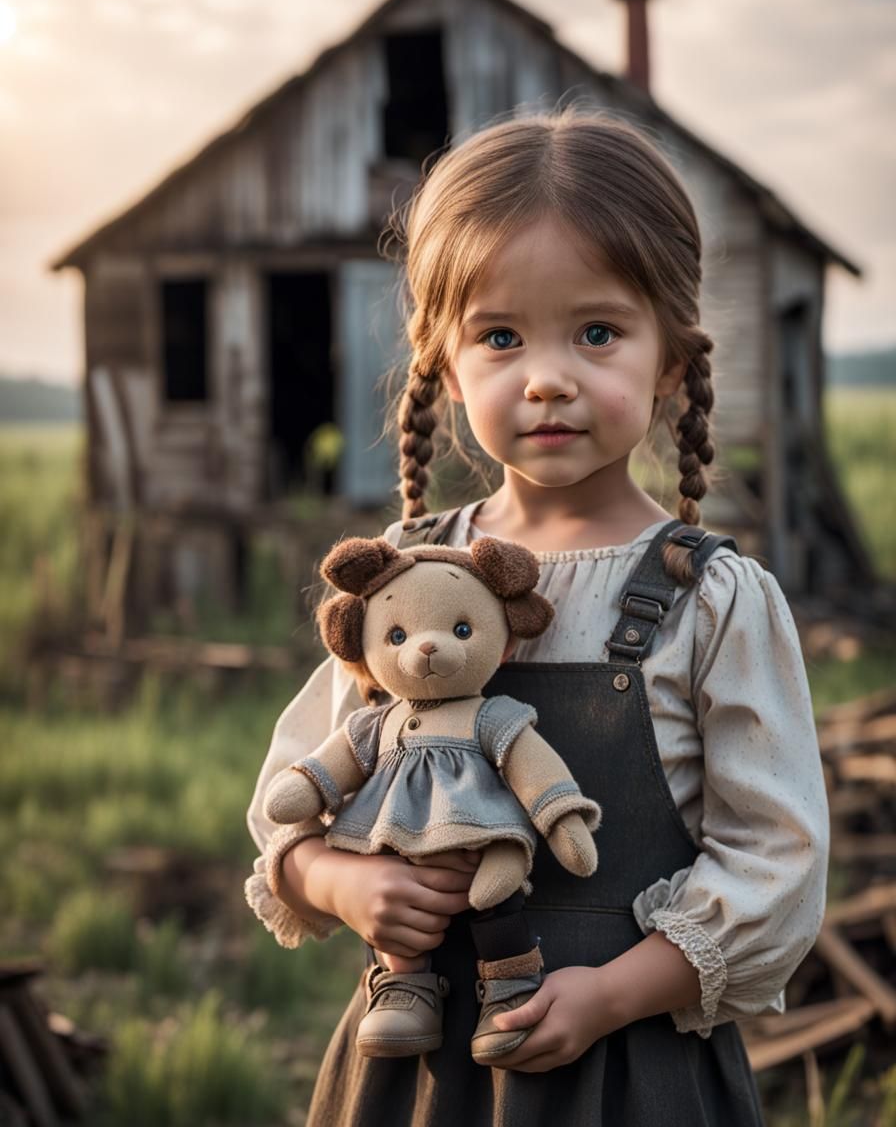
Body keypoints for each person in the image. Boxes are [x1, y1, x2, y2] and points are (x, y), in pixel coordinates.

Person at [245, 109, 829, 1126]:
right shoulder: (405, 582)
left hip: (630, 1076)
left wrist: (614, 992)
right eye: (501, 336)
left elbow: (774, 863)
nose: (547, 375)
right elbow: (291, 797)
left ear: (670, 361)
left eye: (596, 331)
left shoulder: (710, 600)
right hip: (418, 1076)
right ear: (443, 359)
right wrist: (334, 882)